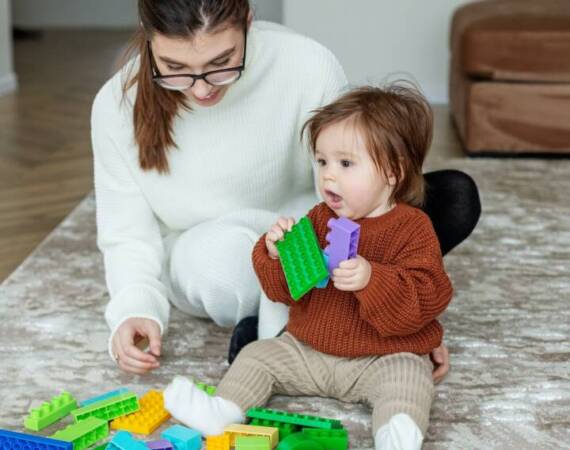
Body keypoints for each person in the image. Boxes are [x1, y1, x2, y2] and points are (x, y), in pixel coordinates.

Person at [92, 0, 479, 377]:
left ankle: (288, 326)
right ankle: (297, 324)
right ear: (148, 37)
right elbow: (127, 235)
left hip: (318, 231)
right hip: (207, 249)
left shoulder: (306, 63)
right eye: (175, 68)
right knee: (220, 264)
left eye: (221, 64)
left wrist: (414, 322)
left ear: (247, 20)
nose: (201, 90)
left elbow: (349, 174)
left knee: (449, 197)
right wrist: (135, 308)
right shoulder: (114, 105)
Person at [164, 84, 454, 450]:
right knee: (258, 355)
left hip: (378, 357)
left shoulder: (411, 228)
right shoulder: (318, 219)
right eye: (322, 162)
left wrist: (372, 279)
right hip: (308, 350)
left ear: (393, 172)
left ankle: (395, 433)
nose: (329, 176)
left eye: (346, 164)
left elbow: (427, 297)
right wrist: (274, 253)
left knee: (411, 374)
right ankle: (224, 409)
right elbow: (281, 290)